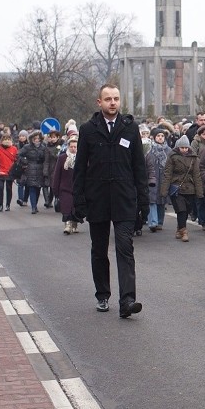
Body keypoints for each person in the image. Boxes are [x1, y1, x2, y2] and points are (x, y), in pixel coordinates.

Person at [73, 83, 148, 319]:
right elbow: (80, 169)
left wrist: (143, 201)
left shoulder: (130, 128)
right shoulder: (88, 130)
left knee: (125, 248)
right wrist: (79, 200)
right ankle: (102, 295)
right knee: (99, 249)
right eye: (108, 99)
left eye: (116, 98)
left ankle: (127, 300)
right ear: (99, 102)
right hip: (97, 199)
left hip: (124, 199)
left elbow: (139, 167)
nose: (112, 103)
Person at [160, 134, 203, 241]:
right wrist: (164, 191)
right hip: (177, 188)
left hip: (190, 188)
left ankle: (179, 228)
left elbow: (197, 175)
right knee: (181, 210)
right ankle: (184, 231)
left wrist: (199, 192)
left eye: (186, 147)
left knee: (187, 210)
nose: (184, 150)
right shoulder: (172, 157)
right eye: (182, 147)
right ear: (178, 147)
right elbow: (167, 174)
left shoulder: (194, 158)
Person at [52, 134, 79, 234]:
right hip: (65, 187)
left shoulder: (81, 158)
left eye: (75, 147)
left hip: (77, 187)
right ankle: (67, 224)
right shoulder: (62, 158)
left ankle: (75, 223)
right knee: (66, 206)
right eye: (71, 146)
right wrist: (55, 188)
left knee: (75, 207)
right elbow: (57, 173)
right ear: (68, 147)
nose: (73, 148)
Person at [146, 128, 170, 232]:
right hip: (153, 178)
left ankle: (160, 222)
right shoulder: (149, 149)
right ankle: (153, 222)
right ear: (154, 137)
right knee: (152, 200)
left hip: (164, 178)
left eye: (162, 136)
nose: (160, 138)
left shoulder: (168, 150)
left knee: (162, 200)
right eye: (158, 136)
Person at [18, 130, 47, 213]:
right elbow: (19, 154)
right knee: (32, 188)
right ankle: (33, 207)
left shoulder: (43, 147)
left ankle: (35, 205)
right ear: (32, 139)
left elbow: (46, 159)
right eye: (35, 138)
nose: (36, 140)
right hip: (30, 169)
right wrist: (24, 162)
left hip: (40, 170)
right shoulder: (27, 147)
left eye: (38, 138)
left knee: (38, 188)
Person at [0, 134, 18, 211]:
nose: (7, 141)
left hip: (10, 172)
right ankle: (0, 204)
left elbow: (16, 160)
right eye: (5, 139)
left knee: (9, 189)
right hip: (1, 172)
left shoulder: (14, 149)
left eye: (8, 139)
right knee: (0, 188)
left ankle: (8, 205)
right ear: (2, 140)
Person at [42, 130, 61, 209]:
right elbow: (46, 160)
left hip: (58, 168)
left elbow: (59, 157)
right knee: (46, 185)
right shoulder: (47, 148)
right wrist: (45, 171)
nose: (52, 139)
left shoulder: (60, 146)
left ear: (57, 138)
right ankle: (47, 201)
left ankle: (52, 201)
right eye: (51, 137)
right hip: (50, 168)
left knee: (54, 186)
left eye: (54, 137)